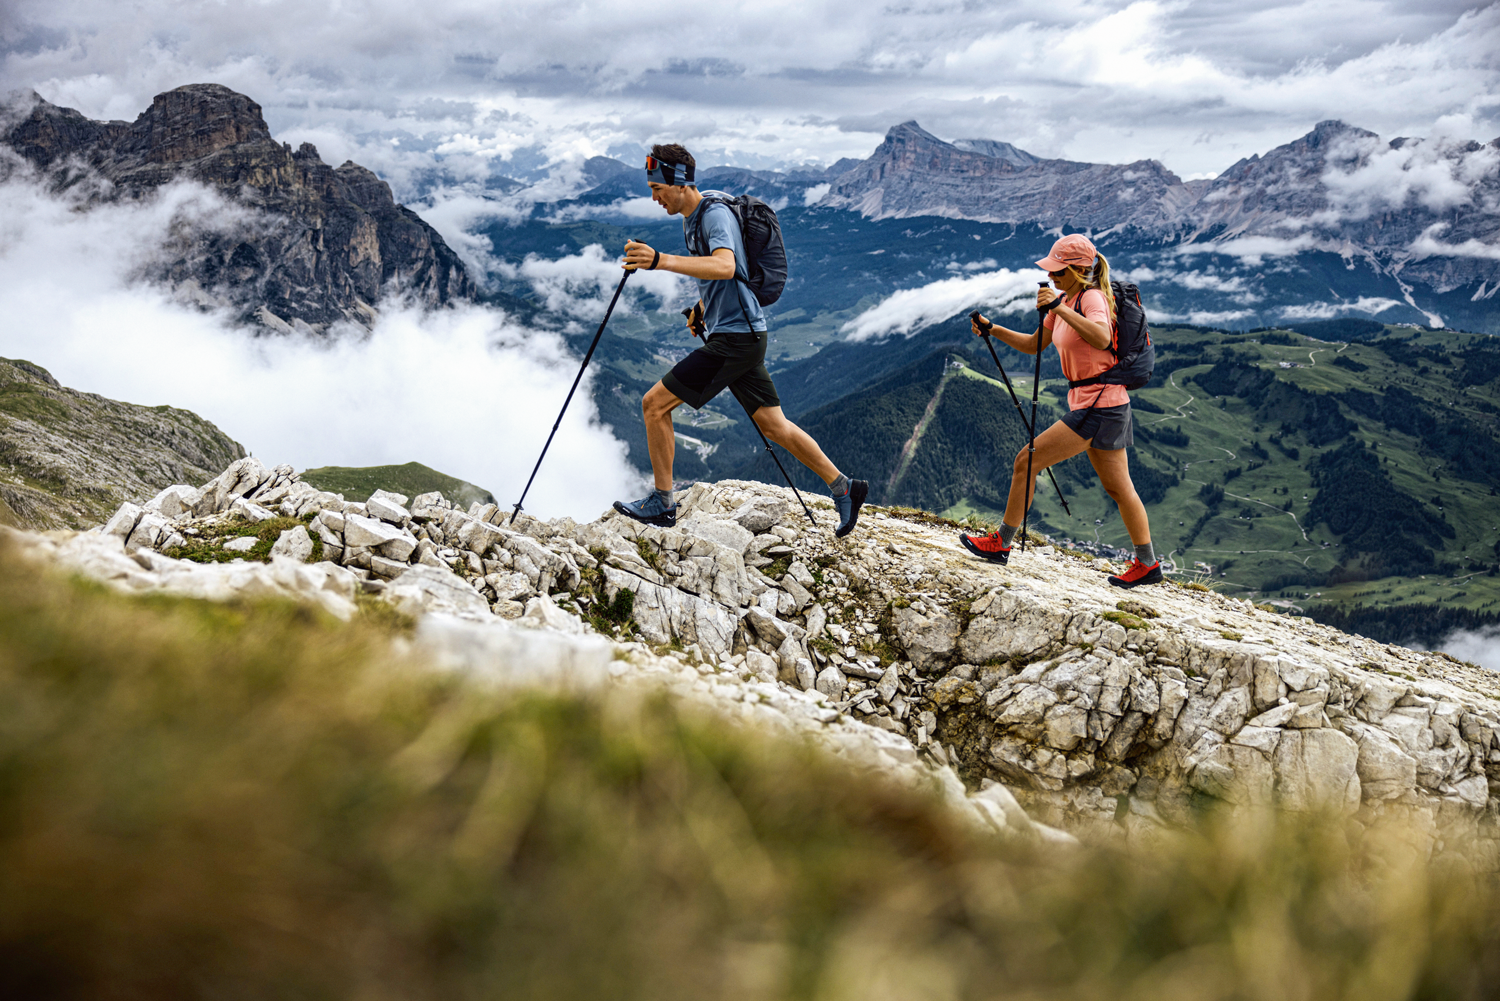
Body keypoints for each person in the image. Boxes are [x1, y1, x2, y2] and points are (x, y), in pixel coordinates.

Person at [612, 143, 867, 537]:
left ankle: (663, 503)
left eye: (657, 187)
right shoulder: (694, 216)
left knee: (654, 405)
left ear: (679, 183)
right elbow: (724, 275)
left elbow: (727, 265)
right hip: (742, 334)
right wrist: (702, 308)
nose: (653, 197)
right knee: (774, 426)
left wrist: (659, 260)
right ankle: (845, 488)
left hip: (737, 339)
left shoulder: (713, 215)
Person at [959, 234, 1162, 588]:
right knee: (1119, 488)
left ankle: (1000, 543)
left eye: (1058, 270)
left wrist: (1058, 307)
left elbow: (1100, 337)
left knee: (1026, 461)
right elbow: (1034, 344)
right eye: (1051, 270)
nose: (1051, 276)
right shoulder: (1067, 298)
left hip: (1099, 403)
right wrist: (994, 329)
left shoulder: (1094, 298)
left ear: (1080, 270)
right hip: (1103, 404)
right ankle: (1148, 565)